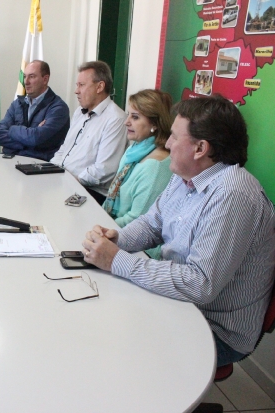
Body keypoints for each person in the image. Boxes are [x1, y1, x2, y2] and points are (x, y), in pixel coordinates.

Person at [82, 95, 275, 367]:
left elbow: (200, 283)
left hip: (215, 328)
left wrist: (117, 260)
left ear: (200, 148)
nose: (168, 144)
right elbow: (153, 222)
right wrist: (117, 240)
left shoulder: (234, 194)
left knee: (113, 348)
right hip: (182, 304)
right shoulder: (185, 175)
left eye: (173, 137)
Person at [50, 61, 127, 204]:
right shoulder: (79, 112)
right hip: (64, 180)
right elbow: (64, 150)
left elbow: (104, 170)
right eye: (77, 85)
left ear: (100, 87)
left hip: (89, 191)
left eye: (82, 85)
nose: (76, 91)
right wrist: (50, 170)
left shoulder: (116, 119)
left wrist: (70, 180)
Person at [102, 89, 173, 228]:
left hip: (132, 241)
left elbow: (136, 221)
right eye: (128, 115)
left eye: (135, 117)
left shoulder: (154, 167)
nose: (126, 122)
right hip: (113, 225)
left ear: (154, 123)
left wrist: (101, 228)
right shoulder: (134, 149)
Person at [0, 60, 70, 161]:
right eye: (25, 76)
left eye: (32, 76)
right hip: (10, 163)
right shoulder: (17, 103)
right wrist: (29, 139)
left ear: (45, 79)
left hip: (39, 166)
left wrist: (12, 129)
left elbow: (35, 138)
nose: (26, 82)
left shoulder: (58, 108)